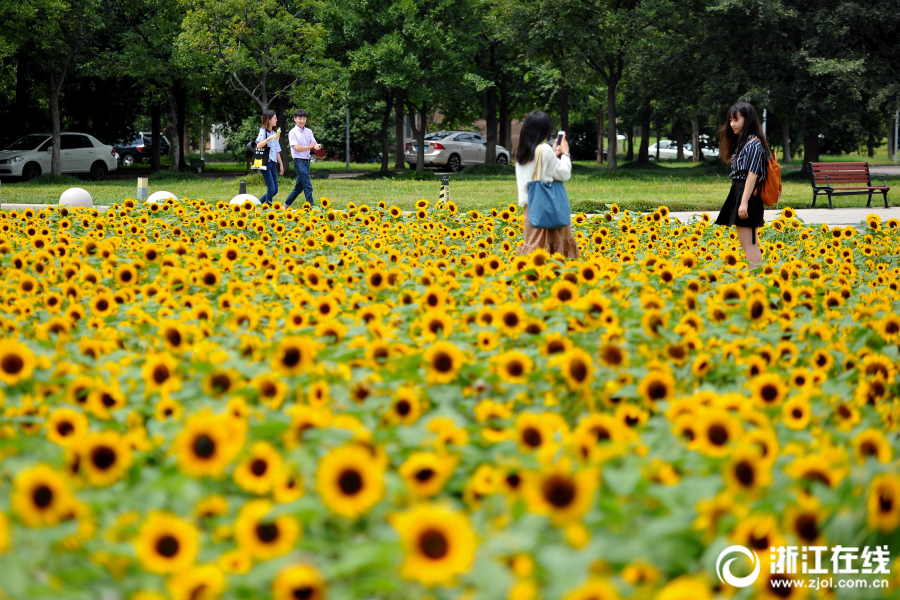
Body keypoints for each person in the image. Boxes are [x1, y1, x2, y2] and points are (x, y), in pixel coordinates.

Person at [514, 110, 578, 259]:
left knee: (534, 256)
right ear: (544, 130)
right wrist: (566, 153)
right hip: (549, 208)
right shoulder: (544, 150)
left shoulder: (520, 152)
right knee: (555, 256)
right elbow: (565, 173)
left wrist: (553, 155)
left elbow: (536, 171)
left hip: (531, 211)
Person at [714, 101, 770, 266]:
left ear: (748, 120)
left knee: (750, 245)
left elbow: (752, 175)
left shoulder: (753, 144)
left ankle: (756, 280)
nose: (732, 124)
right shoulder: (745, 143)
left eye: (736, 120)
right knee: (747, 244)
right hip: (741, 192)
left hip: (748, 195)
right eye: (730, 120)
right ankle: (754, 278)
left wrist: (744, 202)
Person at [284, 109, 322, 207]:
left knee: (299, 187)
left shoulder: (308, 131)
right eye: (300, 118)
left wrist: (316, 146)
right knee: (307, 185)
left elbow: (313, 142)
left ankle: (285, 205)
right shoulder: (292, 132)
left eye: (304, 118)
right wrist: (309, 146)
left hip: (307, 161)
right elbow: (296, 148)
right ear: (295, 119)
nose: (302, 120)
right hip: (299, 161)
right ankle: (311, 207)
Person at [256, 111, 284, 205]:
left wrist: (281, 164)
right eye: (274, 118)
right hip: (265, 163)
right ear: (268, 120)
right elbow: (259, 145)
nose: (276, 120)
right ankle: (268, 209)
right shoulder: (263, 131)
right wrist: (269, 138)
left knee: (275, 190)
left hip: (273, 163)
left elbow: (277, 149)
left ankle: (258, 204)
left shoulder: (274, 133)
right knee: (271, 189)